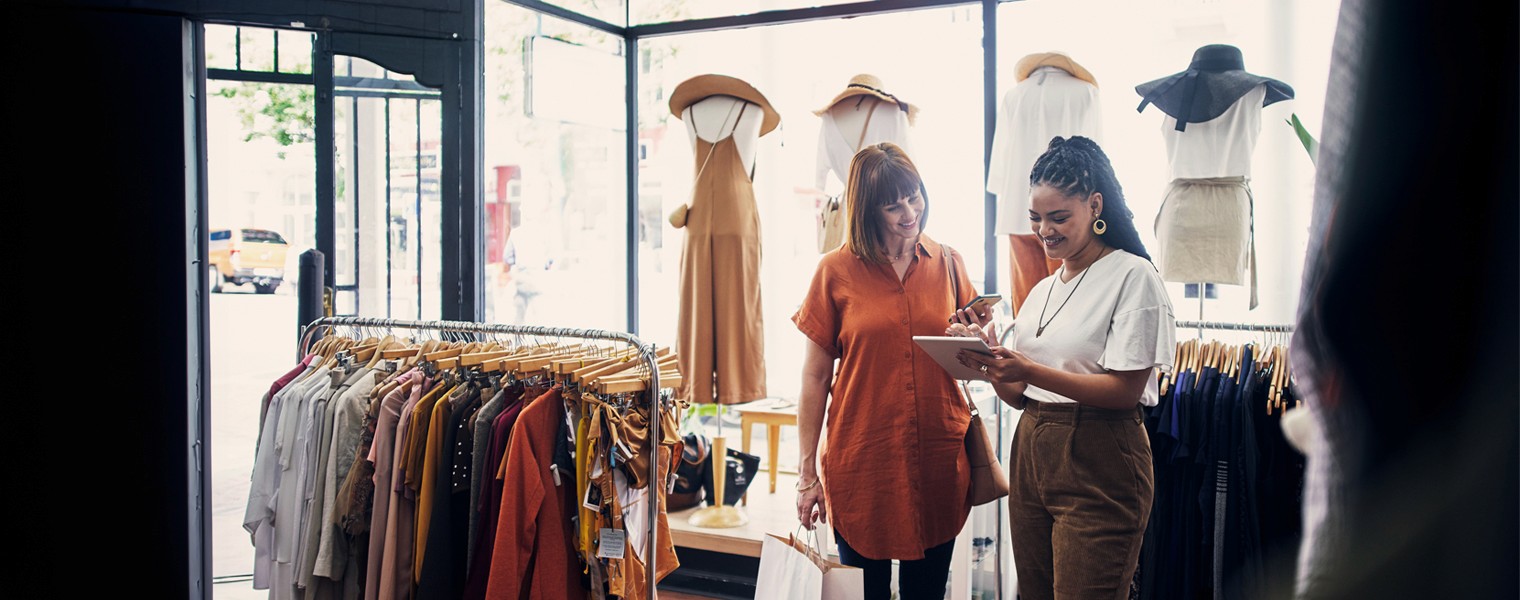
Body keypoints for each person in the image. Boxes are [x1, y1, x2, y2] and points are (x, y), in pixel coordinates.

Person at [952, 136, 1176, 600]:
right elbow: (1022, 395)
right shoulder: (1042, 290)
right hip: (1032, 450)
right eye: (1036, 218)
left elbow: (1124, 391)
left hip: (1101, 456)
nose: (1044, 231)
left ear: (1095, 205)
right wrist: (992, 361)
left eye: (1058, 218)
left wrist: (1027, 370)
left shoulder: (1133, 276)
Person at [791, 142, 991, 600]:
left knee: (927, 593)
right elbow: (814, 379)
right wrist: (806, 475)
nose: (909, 211)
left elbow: (973, 356)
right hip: (863, 463)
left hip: (938, 456)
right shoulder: (834, 271)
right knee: (866, 593)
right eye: (892, 203)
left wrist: (972, 341)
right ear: (867, 209)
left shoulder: (948, 262)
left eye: (914, 195)